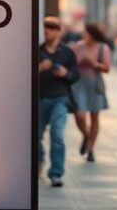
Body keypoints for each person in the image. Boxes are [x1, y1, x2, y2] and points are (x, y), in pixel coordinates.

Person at [38, 16, 80, 188]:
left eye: (52, 27)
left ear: (59, 31)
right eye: (46, 27)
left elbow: (76, 75)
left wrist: (65, 74)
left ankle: (56, 173)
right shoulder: (37, 51)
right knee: (35, 136)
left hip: (60, 98)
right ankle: (39, 160)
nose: (47, 30)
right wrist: (40, 68)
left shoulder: (68, 53)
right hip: (39, 99)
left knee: (57, 134)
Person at [71, 23, 111, 163]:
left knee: (94, 116)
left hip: (95, 84)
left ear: (92, 34)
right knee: (79, 114)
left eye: (86, 33)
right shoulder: (78, 46)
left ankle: (91, 149)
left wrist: (93, 63)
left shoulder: (102, 48)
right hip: (79, 84)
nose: (84, 35)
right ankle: (86, 135)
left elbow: (107, 68)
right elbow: (70, 63)